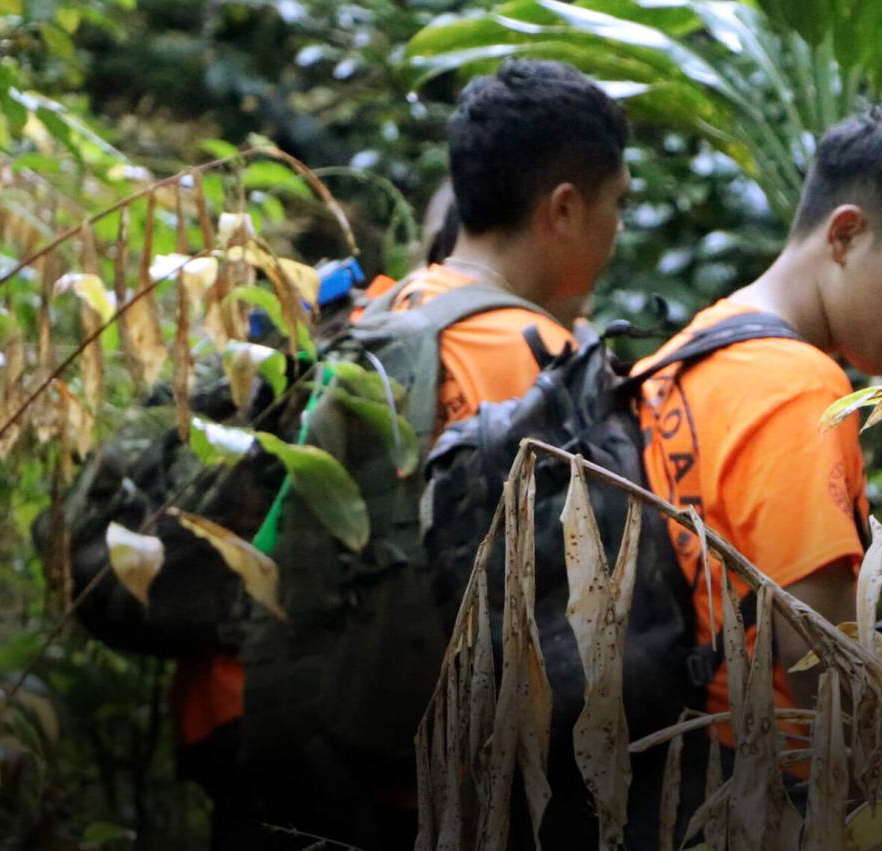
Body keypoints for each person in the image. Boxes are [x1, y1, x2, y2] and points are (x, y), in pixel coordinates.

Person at [181, 58, 631, 849]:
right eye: (616, 205)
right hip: (417, 783)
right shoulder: (544, 366)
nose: (617, 229)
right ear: (565, 207)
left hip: (279, 733)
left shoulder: (364, 315)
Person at [635, 108, 882, 765]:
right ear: (846, 234)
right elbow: (821, 674)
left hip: (657, 770)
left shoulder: (677, 357)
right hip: (762, 789)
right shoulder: (798, 385)